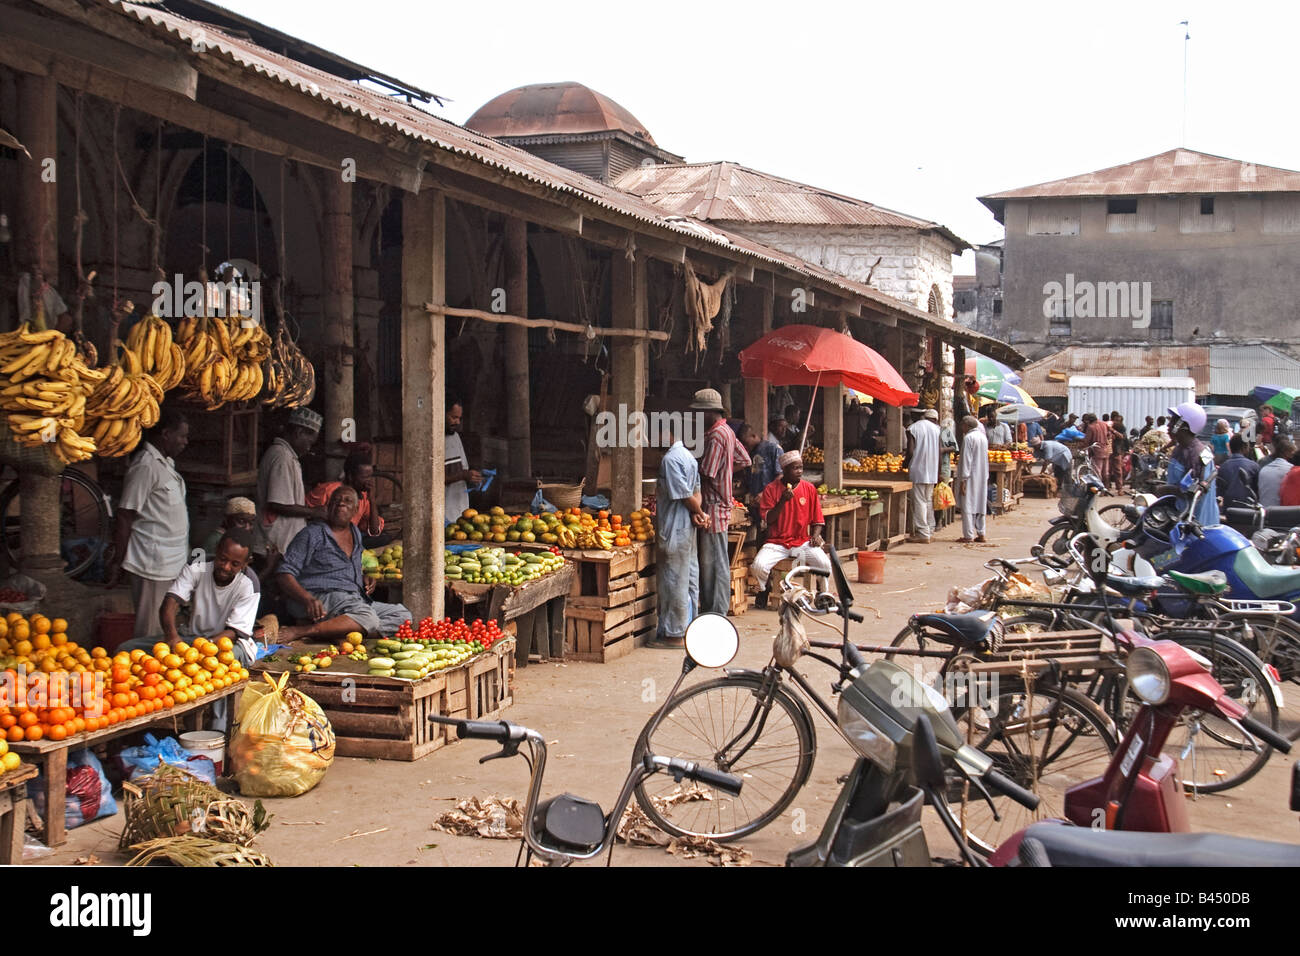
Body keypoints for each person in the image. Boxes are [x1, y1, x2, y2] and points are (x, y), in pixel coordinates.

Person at [276, 486, 411, 642]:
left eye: (347, 501)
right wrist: (307, 599)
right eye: (336, 501)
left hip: (352, 600)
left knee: (403, 616)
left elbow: (345, 569)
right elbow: (283, 573)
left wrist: (363, 577)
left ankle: (334, 631)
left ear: (355, 511)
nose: (341, 504)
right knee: (368, 618)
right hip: (320, 597)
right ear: (328, 507)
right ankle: (305, 630)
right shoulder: (312, 534)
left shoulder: (355, 533)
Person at [106, 406, 190, 641]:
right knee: (150, 629)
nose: (185, 441)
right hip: (152, 563)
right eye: (181, 435)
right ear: (165, 434)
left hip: (170, 562)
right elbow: (125, 514)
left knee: (165, 627)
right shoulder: (145, 466)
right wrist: (119, 559)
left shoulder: (165, 463)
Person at [651, 419, 707, 644]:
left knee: (675, 579)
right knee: (689, 577)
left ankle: (675, 634)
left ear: (667, 433)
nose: (652, 440)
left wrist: (698, 512)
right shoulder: (688, 456)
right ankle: (690, 627)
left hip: (675, 528)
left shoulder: (671, 459)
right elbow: (697, 491)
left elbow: (684, 494)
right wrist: (698, 511)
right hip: (687, 527)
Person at [695, 389, 750, 614]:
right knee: (717, 559)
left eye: (700, 412)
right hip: (722, 503)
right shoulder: (727, 431)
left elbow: (707, 472)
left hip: (714, 505)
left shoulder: (717, 435)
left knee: (712, 563)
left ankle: (714, 611)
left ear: (710, 412)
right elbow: (744, 460)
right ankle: (714, 608)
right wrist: (726, 472)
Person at [752, 451, 830, 602]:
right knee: (758, 566)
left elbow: (818, 520)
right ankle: (764, 588)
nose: (799, 471)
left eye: (801, 468)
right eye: (795, 468)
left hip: (802, 541)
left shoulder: (809, 489)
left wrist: (815, 536)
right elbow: (769, 519)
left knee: (824, 563)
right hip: (776, 542)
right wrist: (782, 501)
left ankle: (822, 592)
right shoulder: (770, 489)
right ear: (784, 470)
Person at [258, 407, 325, 559]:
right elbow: (278, 503)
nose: (309, 447)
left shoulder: (287, 456)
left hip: (282, 543)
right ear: (299, 433)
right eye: (310, 442)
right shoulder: (282, 457)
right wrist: (314, 512)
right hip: (275, 545)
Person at [306, 446, 384, 539]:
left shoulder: (364, 497)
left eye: (370, 477)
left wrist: (372, 500)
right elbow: (305, 515)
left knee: (382, 539)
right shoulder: (327, 490)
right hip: (323, 539)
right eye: (365, 477)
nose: (369, 481)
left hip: (346, 539)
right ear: (351, 476)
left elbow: (374, 531)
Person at [201, 497, 262, 590]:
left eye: (251, 523)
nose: (247, 527)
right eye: (241, 521)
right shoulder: (217, 541)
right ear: (227, 519)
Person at [1165, 421, 1219, 526]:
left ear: (1185, 429)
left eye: (1173, 423)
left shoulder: (1198, 453)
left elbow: (1195, 492)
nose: (1169, 426)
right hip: (1179, 515)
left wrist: (1166, 489)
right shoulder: (1178, 450)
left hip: (1195, 522)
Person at [905, 409, 941, 544]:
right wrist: (938, 472)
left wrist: (905, 463)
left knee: (919, 501)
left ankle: (923, 533)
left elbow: (910, 451)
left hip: (918, 469)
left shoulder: (912, 428)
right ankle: (930, 528)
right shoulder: (936, 429)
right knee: (927, 500)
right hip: (932, 469)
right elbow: (939, 452)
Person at [445, 401, 483, 522]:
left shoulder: (455, 437)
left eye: (459, 418)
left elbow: (463, 469)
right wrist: (463, 475)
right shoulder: (431, 439)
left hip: (461, 512)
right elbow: (432, 480)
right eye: (454, 417)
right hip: (442, 515)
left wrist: (473, 477)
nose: (457, 422)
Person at [956, 415, 989, 543]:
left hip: (970, 477)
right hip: (981, 475)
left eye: (962, 425)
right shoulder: (982, 437)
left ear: (966, 425)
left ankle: (968, 535)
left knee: (967, 505)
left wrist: (963, 479)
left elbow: (966, 459)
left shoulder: (969, 438)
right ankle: (981, 533)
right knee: (980, 505)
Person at [1218, 434, 1260, 508]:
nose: (1249, 448)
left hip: (1228, 510)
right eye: (1247, 446)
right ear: (1243, 448)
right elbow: (1258, 490)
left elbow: (1220, 492)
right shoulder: (1254, 466)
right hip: (1249, 510)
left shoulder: (1223, 467)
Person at [749, 418, 785, 496]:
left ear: (753, 436)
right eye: (781, 427)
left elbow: (781, 475)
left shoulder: (773, 448)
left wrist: (765, 493)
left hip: (770, 497)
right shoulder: (753, 452)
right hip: (757, 499)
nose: (784, 430)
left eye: (745, 443)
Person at [1258, 436, 1295, 507]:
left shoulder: (1264, 469)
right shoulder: (1291, 470)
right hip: (1284, 513)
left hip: (1266, 510)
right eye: (1293, 454)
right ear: (1287, 453)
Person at [1083, 413, 1112, 488]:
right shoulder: (1104, 424)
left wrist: (1083, 447)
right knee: (1106, 472)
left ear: (1089, 420)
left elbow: (1087, 440)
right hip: (1106, 449)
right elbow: (1109, 434)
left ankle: (1100, 488)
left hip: (1097, 450)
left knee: (1097, 471)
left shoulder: (1091, 427)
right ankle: (1107, 487)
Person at [1109, 412, 1129, 493]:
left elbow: (1123, 438)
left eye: (1118, 420)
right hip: (1110, 450)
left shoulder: (1121, 428)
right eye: (1115, 420)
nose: (1117, 422)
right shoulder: (1109, 426)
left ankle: (1119, 488)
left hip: (1117, 450)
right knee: (1108, 470)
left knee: (1117, 469)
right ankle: (1108, 486)